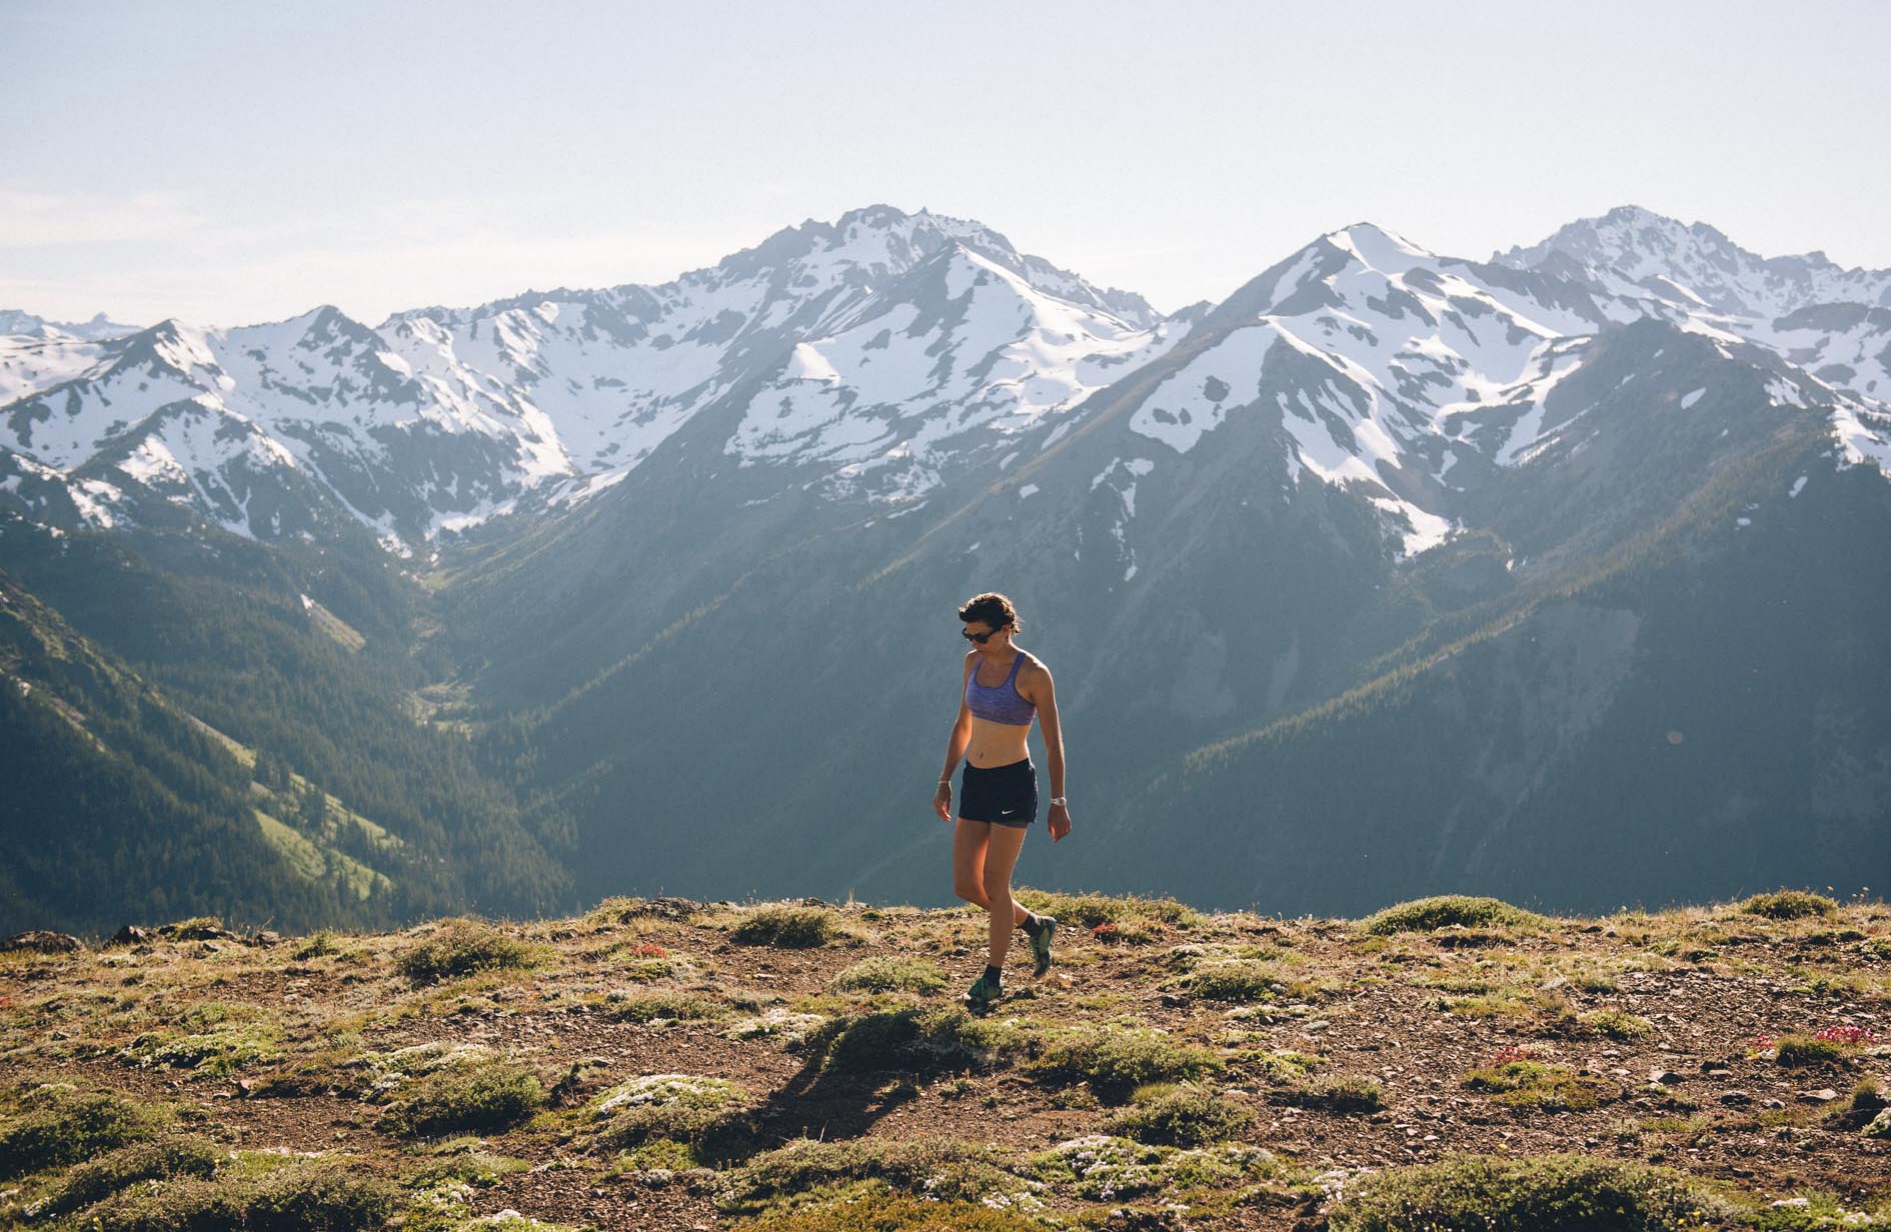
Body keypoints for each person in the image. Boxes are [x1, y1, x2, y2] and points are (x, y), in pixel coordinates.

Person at [933, 592, 1072, 1005]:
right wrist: (945, 779)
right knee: (965, 885)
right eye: (968, 635)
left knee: (996, 884)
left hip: (1012, 782)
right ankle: (1035, 925)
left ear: (1007, 628)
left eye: (981, 636)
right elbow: (962, 724)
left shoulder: (1033, 674)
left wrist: (1058, 801)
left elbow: (1053, 743)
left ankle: (992, 979)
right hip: (976, 780)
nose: (973, 643)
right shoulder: (972, 663)